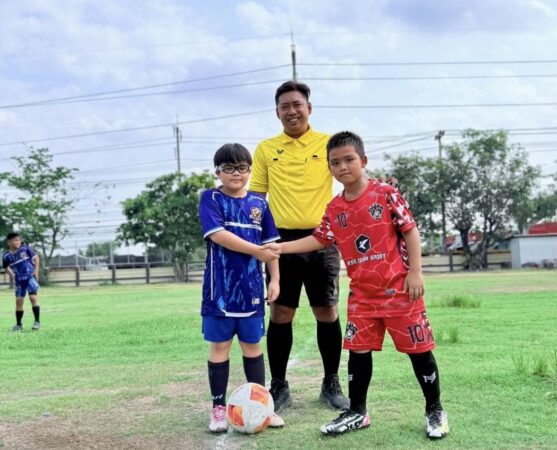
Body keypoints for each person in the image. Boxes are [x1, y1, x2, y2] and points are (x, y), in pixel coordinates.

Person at [264, 131, 449, 438]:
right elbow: (319, 238)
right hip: (362, 294)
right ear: (329, 167)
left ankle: (435, 409)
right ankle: (357, 412)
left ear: (363, 161)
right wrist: (280, 247)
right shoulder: (335, 208)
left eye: (349, 160)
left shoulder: (385, 193)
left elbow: (410, 230)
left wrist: (415, 272)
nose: (342, 167)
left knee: (418, 351)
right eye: (335, 162)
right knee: (358, 352)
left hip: (399, 290)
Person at [250, 81, 349, 412]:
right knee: (281, 312)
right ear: (277, 112)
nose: (292, 111)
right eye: (285, 106)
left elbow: (350, 177)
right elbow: (257, 198)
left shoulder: (327, 144)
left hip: (323, 238)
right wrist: (253, 238)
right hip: (279, 241)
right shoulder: (266, 149)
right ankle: (279, 385)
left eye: (297, 104)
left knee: (327, 310)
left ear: (309, 108)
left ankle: (331, 382)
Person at [198, 143, 284, 433]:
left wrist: (274, 279)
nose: (236, 173)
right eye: (229, 168)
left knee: (252, 346)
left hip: (251, 291)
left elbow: (271, 246)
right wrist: (256, 251)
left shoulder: (260, 204)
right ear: (218, 172)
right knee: (220, 346)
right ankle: (218, 409)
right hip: (219, 293)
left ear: (249, 170)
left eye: (242, 167)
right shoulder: (211, 198)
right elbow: (219, 235)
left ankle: (263, 407)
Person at [2, 232, 42, 332]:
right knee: (19, 301)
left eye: (19, 240)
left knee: (33, 298)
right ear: (9, 242)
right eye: (15, 240)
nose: (18, 242)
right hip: (19, 280)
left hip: (30, 277)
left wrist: (36, 271)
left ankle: (37, 322)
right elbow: (5, 267)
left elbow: (36, 258)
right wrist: (12, 275)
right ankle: (19, 324)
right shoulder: (6, 256)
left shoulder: (25, 248)